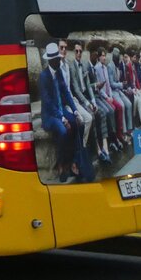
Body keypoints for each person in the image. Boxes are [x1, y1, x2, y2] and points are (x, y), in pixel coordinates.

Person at [39, 42, 83, 182]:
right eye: (57, 59)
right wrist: (62, 118)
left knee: (77, 124)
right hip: (50, 115)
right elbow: (48, 103)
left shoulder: (58, 74)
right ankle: (61, 164)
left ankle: (73, 161)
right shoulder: (43, 76)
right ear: (51, 61)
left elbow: (66, 92)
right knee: (63, 131)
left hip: (60, 109)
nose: (59, 61)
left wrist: (75, 111)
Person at [94, 48, 128, 148]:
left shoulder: (105, 68)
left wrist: (110, 96)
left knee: (118, 107)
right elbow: (99, 87)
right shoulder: (97, 68)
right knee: (112, 110)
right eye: (102, 56)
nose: (104, 57)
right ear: (99, 57)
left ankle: (118, 134)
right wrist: (107, 97)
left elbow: (108, 84)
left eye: (105, 55)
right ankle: (113, 138)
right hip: (102, 96)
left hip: (109, 95)